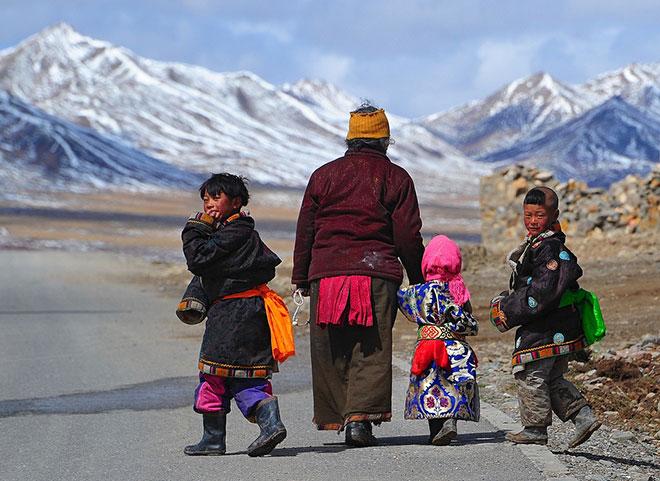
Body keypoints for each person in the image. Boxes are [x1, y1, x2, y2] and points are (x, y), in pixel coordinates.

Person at [292, 103, 425, 447]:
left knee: (332, 346)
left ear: (350, 137)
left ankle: (339, 416)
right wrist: (418, 277)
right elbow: (408, 235)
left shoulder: (323, 175)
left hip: (328, 272)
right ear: (385, 139)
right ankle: (360, 422)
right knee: (371, 346)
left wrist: (301, 278)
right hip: (377, 272)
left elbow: (306, 229)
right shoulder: (397, 178)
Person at [179, 173, 294, 457]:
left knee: (214, 374)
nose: (208, 204)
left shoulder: (232, 234)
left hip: (232, 315)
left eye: (216, 197)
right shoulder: (242, 233)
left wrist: (194, 228)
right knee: (244, 375)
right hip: (250, 313)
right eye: (205, 199)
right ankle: (264, 425)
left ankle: (217, 438)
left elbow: (198, 260)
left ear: (237, 202)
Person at [489, 186, 601, 447]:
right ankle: (583, 416)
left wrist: (508, 308)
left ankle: (535, 429)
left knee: (530, 374)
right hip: (557, 326)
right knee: (552, 378)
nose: (532, 221)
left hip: (545, 327)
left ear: (554, 215)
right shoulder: (543, 245)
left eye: (539, 215)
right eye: (528, 215)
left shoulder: (548, 248)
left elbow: (542, 291)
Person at [397, 235, 480, 445]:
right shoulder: (457, 290)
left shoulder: (417, 292)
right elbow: (467, 321)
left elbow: (402, 302)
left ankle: (436, 430)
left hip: (426, 347)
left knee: (430, 386)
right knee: (452, 385)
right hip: (454, 347)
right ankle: (450, 421)